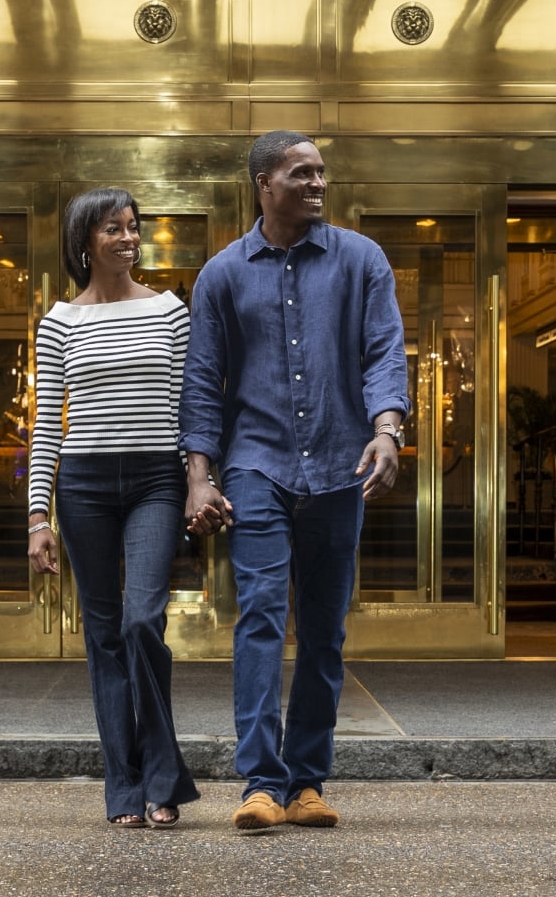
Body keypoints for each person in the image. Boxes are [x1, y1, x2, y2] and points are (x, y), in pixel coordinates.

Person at [182, 132, 408, 834]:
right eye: (300, 172)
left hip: (343, 464)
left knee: (324, 630)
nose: (317, 183)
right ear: (264, 184)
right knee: (258, 615)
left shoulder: (361, 261)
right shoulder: (222, 274)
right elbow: (201, 385)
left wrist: (387, 429)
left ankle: (307, 781)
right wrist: (198, 477)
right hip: (257, 464)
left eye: (321, 173)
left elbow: (383, 350)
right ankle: (259, 781)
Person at [27, 187, 231, 829]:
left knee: (143, 620)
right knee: (102, 634)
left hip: (154, 482)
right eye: (113, 228)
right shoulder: (59, 321)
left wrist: (201, 477)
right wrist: (39, 517)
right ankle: (126, 789)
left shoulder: (171, 310)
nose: (127, 237)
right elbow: (46, 429)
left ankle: (162, 779)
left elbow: (193, 402)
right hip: (83, 484)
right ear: (85, 239)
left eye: (133, 228)